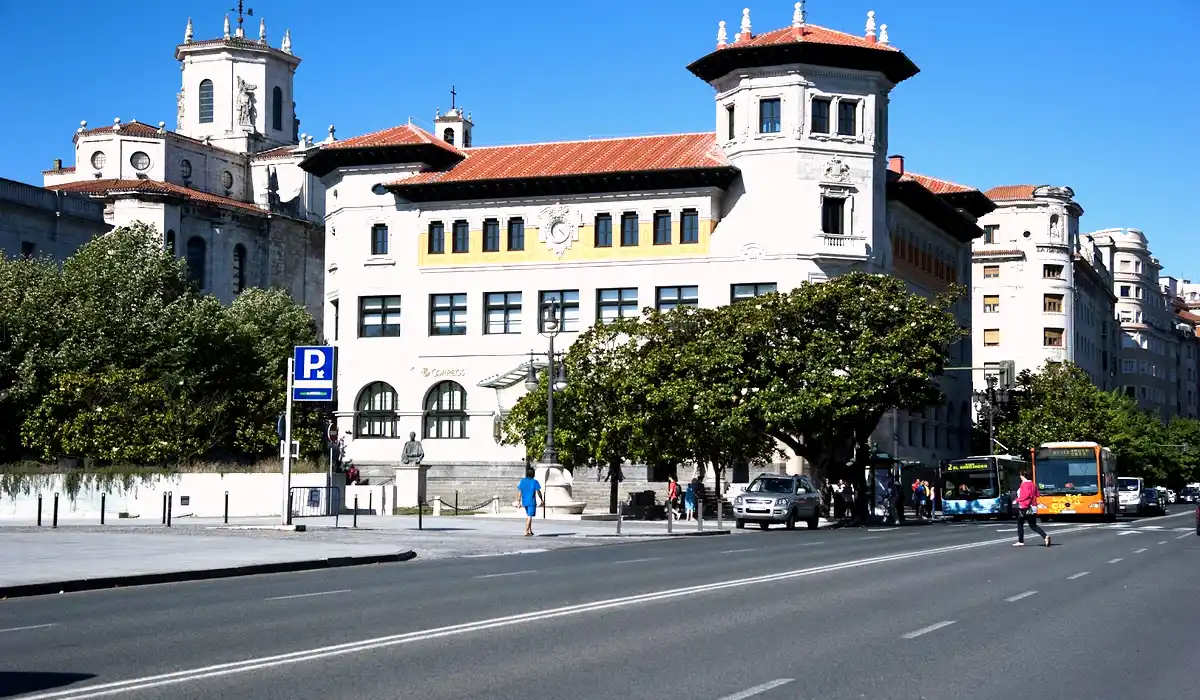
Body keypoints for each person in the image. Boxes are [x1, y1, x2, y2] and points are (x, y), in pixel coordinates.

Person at [1015, 469, 1050, 547]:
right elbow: (1037, 494)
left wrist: (1016, 500)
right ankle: (1045, 536)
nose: (1020, 477)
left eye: (1020, 475)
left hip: (1024, 507)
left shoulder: (1023, 484)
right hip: (1033, 507)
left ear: (1023, 476)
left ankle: (1020, 541)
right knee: (1033, 525)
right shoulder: (1033, 484)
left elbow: (1025, 495)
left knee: (1020, 524)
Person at [516, 466, 544, 537]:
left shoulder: (522, 481)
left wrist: (519, 501)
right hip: (532, 501)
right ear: (533, 474)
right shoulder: (534, 482)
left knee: (528, 515)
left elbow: (519, 491)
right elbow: (538, 491)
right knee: (529, 516)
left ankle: (530, 530)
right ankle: (526, 531)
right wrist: (541, 499)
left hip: (524, 501)